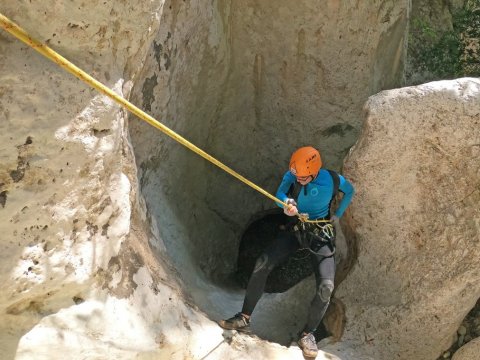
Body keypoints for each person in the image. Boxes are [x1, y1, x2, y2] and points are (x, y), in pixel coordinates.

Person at [218, 146, 355, 358]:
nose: (298, 179)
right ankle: (244, 317)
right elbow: (280, 193)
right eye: (296, 175)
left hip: (320, 235)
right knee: (262, 263)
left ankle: (307, 334)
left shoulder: (333, 180)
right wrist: (286, 203)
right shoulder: (293, 175)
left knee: (326, 287)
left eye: (302, 177)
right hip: (296, 230)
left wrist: (337, 214)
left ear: (315, 172)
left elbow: (350, 191)